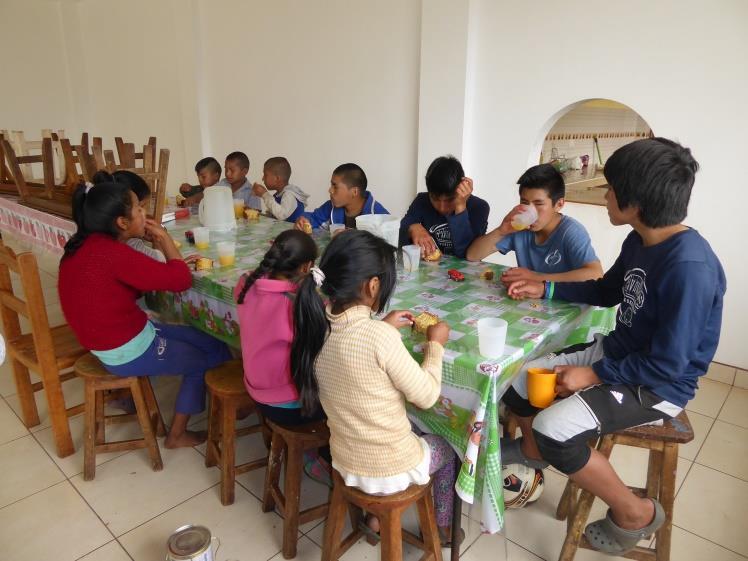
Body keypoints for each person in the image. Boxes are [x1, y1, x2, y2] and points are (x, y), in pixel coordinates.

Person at [502, 138, 726, 556]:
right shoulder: (639, 240)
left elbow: (668, 364)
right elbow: (607, 290)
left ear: (635, 202)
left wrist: (593, 374)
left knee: (554, 429)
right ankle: (531, 452)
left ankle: (635, 512)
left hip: (658, 386)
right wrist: (545, 287)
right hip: (621, 353)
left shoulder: (689, 268)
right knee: (521, 383)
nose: (605, 197)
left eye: (610, 188)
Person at [290, 229, 459, 544]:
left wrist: (381, 327)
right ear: (373, 285)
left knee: (404, 426)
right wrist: (436, 345)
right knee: (446, 447)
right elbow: (426, 396)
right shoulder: (379, 338)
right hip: (391, 470)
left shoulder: (316, 328)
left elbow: (354, 345)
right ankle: (444, 527)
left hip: (345, 463)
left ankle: (374, 520)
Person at [58, 182, 232, 448]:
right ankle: (177, 435)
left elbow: (132, 286)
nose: (144, 212)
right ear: (122, 222)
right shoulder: (113, 254)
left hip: (112, 339)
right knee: (198, 360)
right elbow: (181, 279)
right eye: (139, 208)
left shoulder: (83, 245)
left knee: (211, 340)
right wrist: (164, 239)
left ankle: (223, 401)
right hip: (125, 349)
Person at [234, 229, 330, 483]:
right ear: (307, 267)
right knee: (348, 395)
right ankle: (320, 454)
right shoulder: (296, 303)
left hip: (257, 393)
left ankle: (308, 451)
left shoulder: (245, 283)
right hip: (290, 407)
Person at [467, 163, 602, 283]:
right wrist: (501, 230)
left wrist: (535, 278)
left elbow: (595, 274)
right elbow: (472, 256)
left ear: (559, 204)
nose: (530, 210)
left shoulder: (571, 231)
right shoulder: (519, 228)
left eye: (539, 204)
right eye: (525, 202)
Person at [399, 155, 489, 258]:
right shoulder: (422, 200)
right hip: (430, 270)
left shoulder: (479, 207)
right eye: (435, 199)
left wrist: (460, 207)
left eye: (450, 200)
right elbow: (401, 229)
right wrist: (412, 227)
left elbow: (466, 254)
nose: (442, 207)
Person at [92, 170, 165, 263]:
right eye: (140, 207)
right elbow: (160, 264)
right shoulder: (129, 244)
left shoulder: (100, 233)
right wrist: (158, 238)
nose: (144, 212)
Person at [294, 163, 388, 231]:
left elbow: (388, 248)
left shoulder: (379, 216)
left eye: (335, 186)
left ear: (354, 192)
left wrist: (348, 238)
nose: (330, 190)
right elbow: (313, 217)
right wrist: (303, 220)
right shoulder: (331, 207)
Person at [250, 157, 309, 222]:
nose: (263, 178)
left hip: (293, 231)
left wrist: (265, 194)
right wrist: (255, 214)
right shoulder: (278, 195)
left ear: (277, 178)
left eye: (265, 175)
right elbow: (273, 217)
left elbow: (281, 215)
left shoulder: (289, 195)